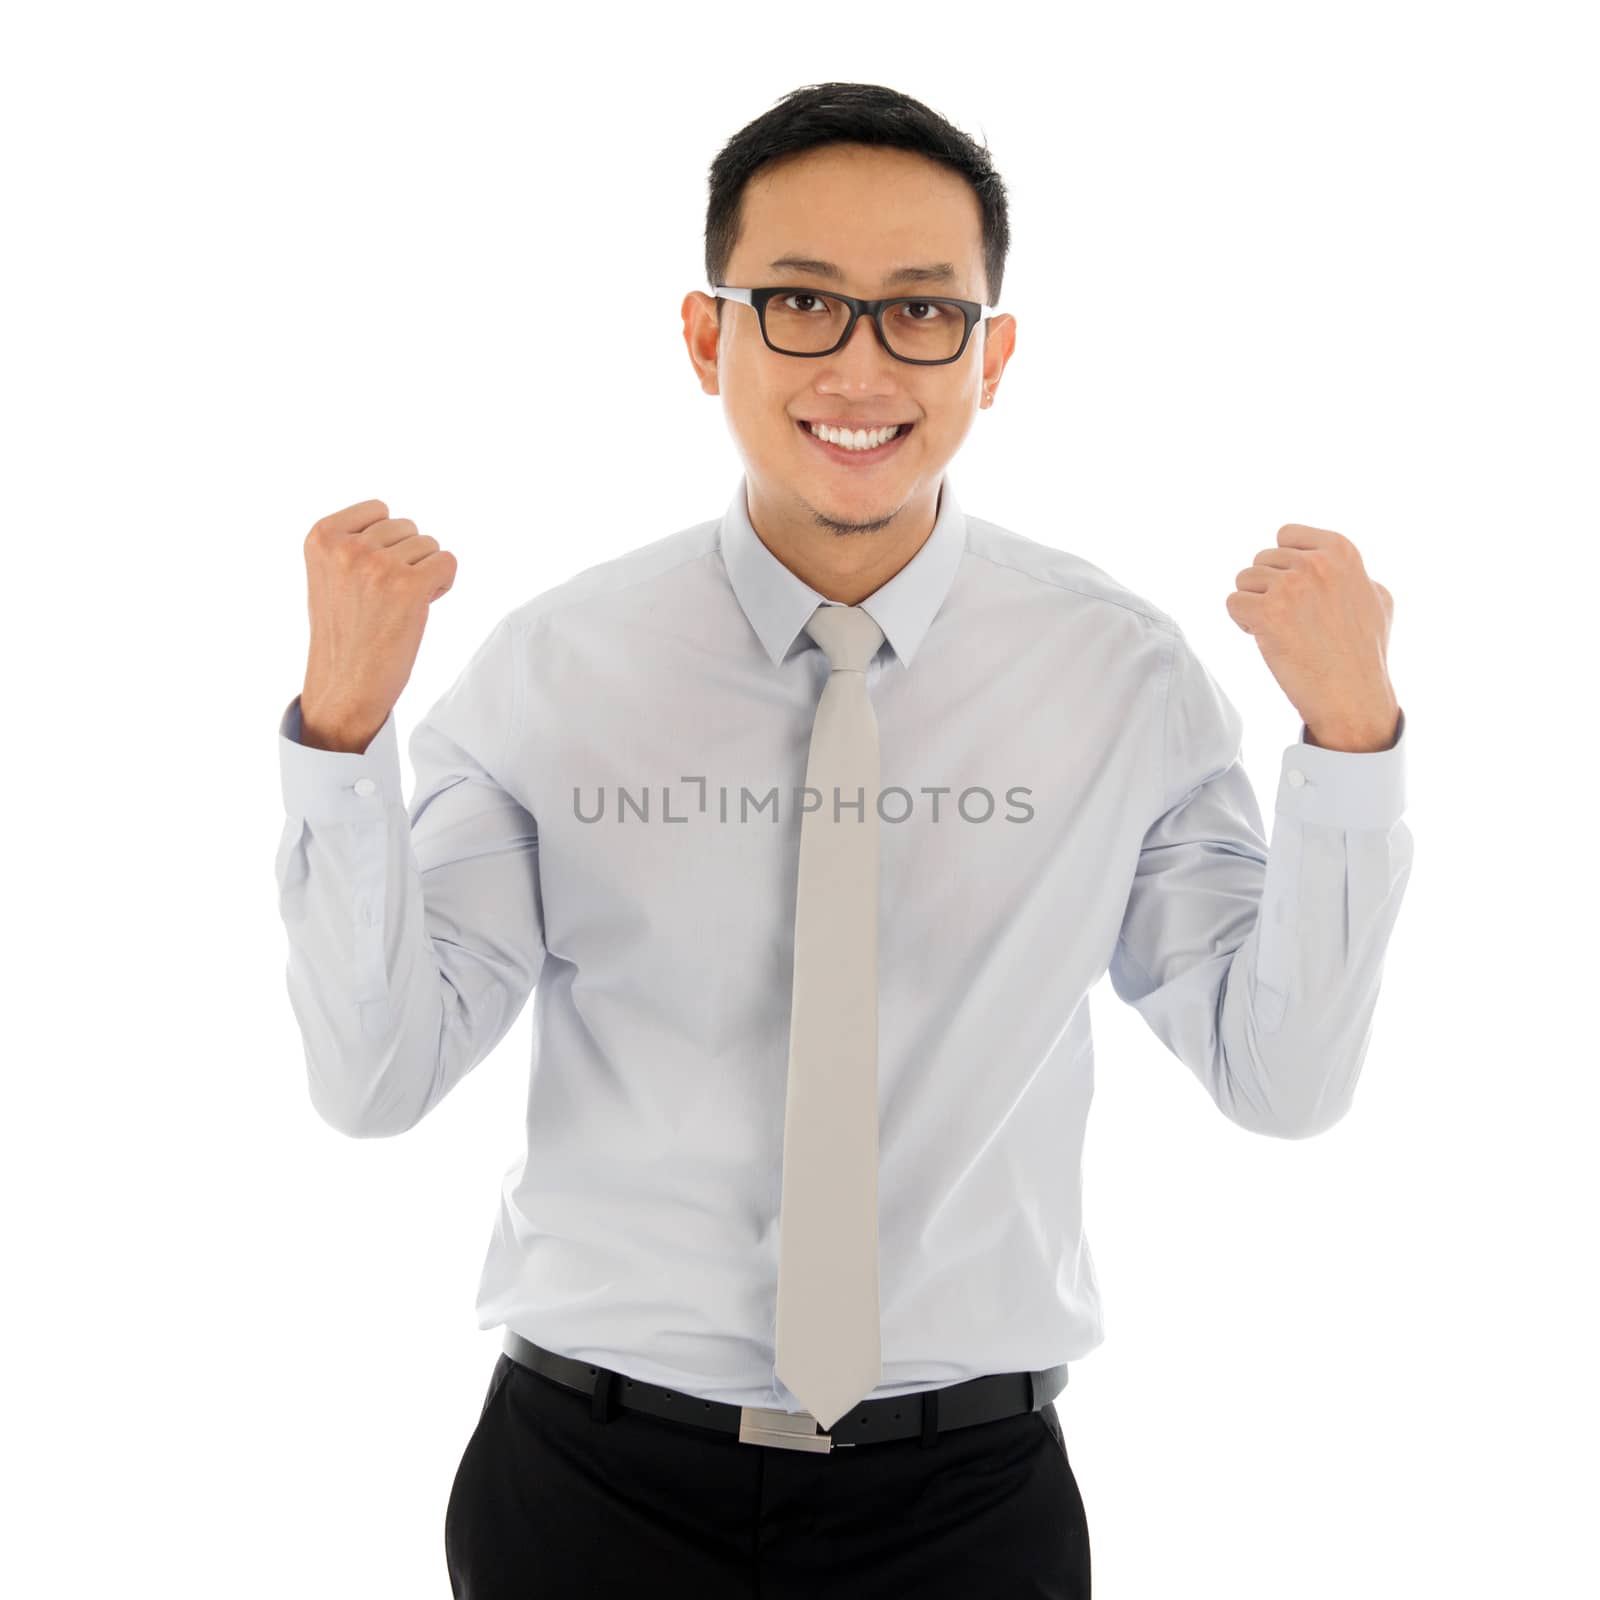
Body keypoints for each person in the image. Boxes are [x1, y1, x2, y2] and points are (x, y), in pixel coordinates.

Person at [273, 81, 1411, 1600]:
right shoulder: (551, 672)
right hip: (587, 1495)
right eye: (800, 302)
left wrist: (1349, 748)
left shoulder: (1122, 677)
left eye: (923, 314)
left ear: (994, 356)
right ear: (707, 338)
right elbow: (374, 1078)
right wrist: (340, 737)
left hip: (967, 1506)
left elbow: (1281, 1084)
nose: (862, 364)